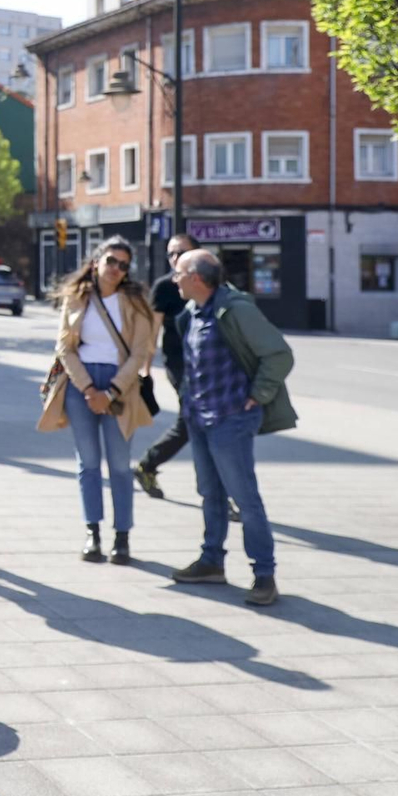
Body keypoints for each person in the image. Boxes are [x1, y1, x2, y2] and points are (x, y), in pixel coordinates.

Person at [169, 248, 296, 607]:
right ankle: (211, 562)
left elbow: (279, 354)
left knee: (245, 498)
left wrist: (259, 395)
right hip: (200, 418)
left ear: (196, 278)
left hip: (231, 419)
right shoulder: (192, 312)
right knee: (210, 493)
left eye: (178, 272)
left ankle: (264, 575)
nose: (174, 278)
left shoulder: (236, 309)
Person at [52, 236, 158, 565]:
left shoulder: (136, 301)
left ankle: (122, 537)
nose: (116, 269)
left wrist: (110, 391)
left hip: (120, 387)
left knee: (119, 465)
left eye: (123, 265)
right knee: (88, 464)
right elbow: (64, 348)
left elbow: (141, 351)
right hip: (80, 385)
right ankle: (92, 534)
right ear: (96, 260)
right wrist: (87, 389)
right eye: (111, 261)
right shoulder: (77, 297)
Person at [132, 232, 199, 499]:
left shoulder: (209, 280)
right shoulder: (165, 286)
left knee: (195, 422)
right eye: (171, 253)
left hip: (210, 364)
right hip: (179, 363)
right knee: (193, 417)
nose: (174, 258)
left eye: (181, 252)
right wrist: (145, 369)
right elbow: (152, 329)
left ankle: (148, 465)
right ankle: (218, 495)